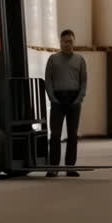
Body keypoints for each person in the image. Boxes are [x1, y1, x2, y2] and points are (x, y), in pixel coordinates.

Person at [44, 29, 87, 177]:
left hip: (74, 100)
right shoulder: (53, 59)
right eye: (64, 41)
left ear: (74, 42)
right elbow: (48, 80)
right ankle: (53, 167)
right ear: (60, 42)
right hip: (57, 99)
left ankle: (70, 167)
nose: (67, 44)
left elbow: (84, 81)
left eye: (70, 41)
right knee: (55, 135)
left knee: (72, 135)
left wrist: (79, 98)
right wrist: (51, 97)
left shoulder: (80, 60)